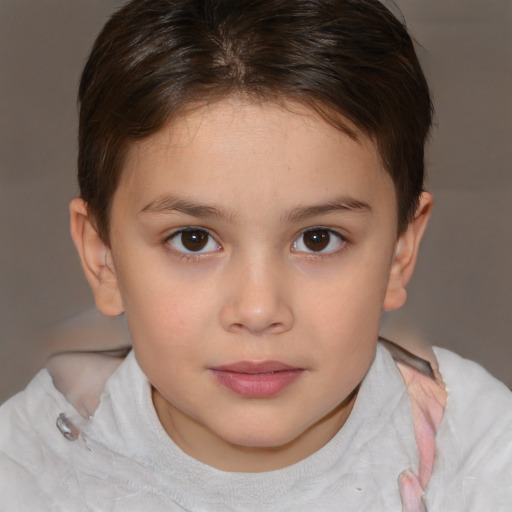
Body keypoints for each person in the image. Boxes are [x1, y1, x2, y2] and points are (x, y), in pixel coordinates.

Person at [0, 0, 511, 510]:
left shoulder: (476, 453)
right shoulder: (28, 469)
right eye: (193, 239)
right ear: (102, 258)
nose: (259, 309)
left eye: (318, 239)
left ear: (401, 250)